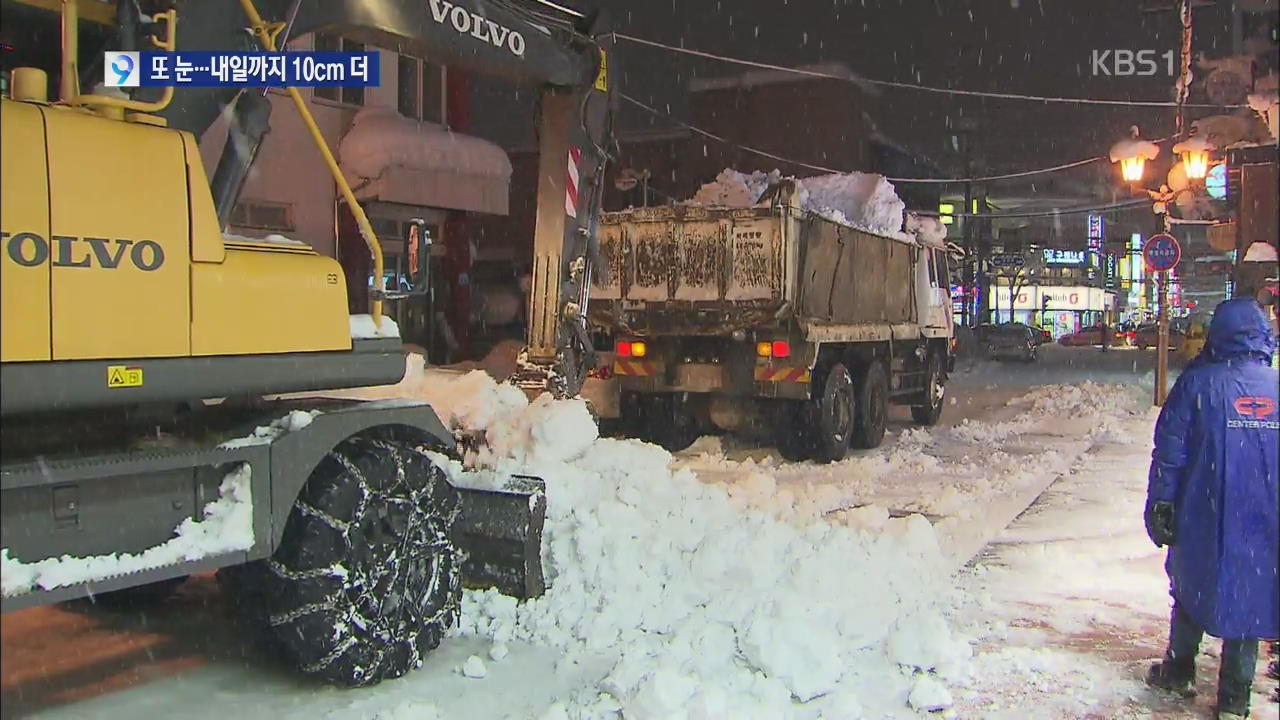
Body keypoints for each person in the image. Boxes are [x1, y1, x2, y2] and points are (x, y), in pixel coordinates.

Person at [1144, 297, 1280, 719]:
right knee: (1251, 597)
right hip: (1265, 517)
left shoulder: (1198, 384)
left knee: (1191, 586)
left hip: (1204, 509)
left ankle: (1180, 668)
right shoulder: (1276, 388)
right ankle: (1234, 698)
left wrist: (1162, 503)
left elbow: (1170, 451)